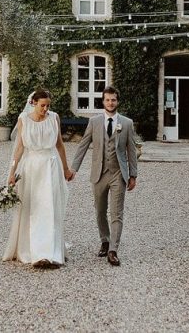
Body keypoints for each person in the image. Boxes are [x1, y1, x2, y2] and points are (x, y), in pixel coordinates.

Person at [3, 88, 74, 267]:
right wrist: (12, 172)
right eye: (42, 105)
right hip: (32, 168)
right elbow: (19, 148)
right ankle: (32, 251)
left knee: (49, 207)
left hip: (50, 166)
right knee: (32, 207)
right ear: (33, 103)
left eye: (48, 105)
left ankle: (50, 252)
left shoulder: (54, 118)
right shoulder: (23, 120)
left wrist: (66, 168)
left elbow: (60, 145)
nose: (45, 109)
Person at [71, 86, 138, 266]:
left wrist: (133, 175)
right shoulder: (94, 122)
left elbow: (132, 150)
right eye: (107, 100)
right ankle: (105, 240)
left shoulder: (127, 123)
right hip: (99, 174)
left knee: (117, 213)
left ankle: (113, 250)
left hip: (118, 173)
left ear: (118, 101)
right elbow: (83, 145)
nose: (110, 103)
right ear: (103, 101)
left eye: (113, 100)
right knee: (100, 211)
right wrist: (73, 169)